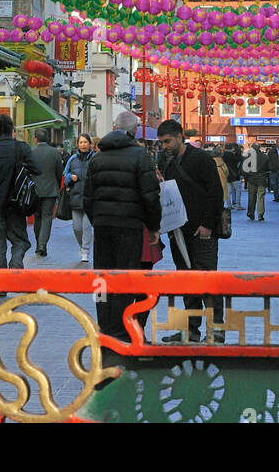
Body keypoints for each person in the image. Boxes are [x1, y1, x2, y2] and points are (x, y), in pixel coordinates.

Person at [83, 110, 161, 342]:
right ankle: (121, 330)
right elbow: (151, 196)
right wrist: (153, 226)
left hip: (103, 227)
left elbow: (87, 198)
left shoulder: (97, 158)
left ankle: (105, 327)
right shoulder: (140, 157)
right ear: (134, 130)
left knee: (103, 277)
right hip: (130, 227)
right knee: (126, 277)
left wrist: (97, 218)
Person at [157, 120, 225, 343]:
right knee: (186, 281)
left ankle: (216, 331)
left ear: (179, 136)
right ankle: (191, 330)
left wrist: (207, 224)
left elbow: (215, 193)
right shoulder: (168, 165)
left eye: (167, 141)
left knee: (207, 281)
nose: (164, 146)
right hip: (179, 232)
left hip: (202, 231)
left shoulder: (201, 159)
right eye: (161, 143)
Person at [0, 114, 39, 272]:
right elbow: (37, 169)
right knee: (19, 240)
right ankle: (16, 261)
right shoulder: (21, 148)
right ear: (12, 129)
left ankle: (0, 284)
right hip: (17, 203)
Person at [63, 133, 95, 264]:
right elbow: (65, 175)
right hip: (75, 197)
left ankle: (86, 250)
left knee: (87, 227)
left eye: (85, 142)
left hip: (90, 198)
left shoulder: (94, 158)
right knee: (77, 228)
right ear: (78, 145)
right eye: (81, 142)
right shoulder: (72, 159)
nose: (83, 144)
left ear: (90, 144)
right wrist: (70, 178)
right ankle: (82, 247)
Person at [31, 129, 62, 258]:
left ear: (35, 139)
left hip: (35, 190)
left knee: (37, 217)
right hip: (50, 190)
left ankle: (39, 242)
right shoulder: (55, 153)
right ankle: (42, 244)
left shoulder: (31, 152)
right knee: (47, 217)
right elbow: (59, 173)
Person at [242, 141, 268, 221]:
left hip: (252, 179)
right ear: (259, 148)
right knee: (261, 197)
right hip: (262, 179)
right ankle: (260, 214)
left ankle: (251, 213)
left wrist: (246, 177)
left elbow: (245, 169)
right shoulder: (265, 157)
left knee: (251, 197)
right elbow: (269, 167)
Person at [222, 141, 244, 210]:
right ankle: (238, 205)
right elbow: (240, 159)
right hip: (235, 176)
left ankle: (229, 205)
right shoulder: (233, 156)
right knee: (238, 190)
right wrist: (238, 151)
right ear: (232, 148)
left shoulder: (222, 156)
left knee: (228, 191)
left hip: (226, 176)